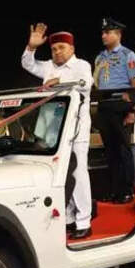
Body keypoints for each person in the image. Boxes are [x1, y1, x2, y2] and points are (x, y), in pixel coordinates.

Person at [21, 23, 94, 239]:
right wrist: (32, 47)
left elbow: (86, 84)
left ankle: (84, 221)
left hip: (76, 129)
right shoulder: (48, 66)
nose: (57, 52)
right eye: (53, 49)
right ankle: (69, 218)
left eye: (61, 48)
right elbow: (27, 64)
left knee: (78, 173)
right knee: (59, 173)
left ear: (71, 49)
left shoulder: (81, 65)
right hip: (52, 130)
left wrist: (58, 81)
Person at [93, 17, 135, 203]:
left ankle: (127, 190)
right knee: (110, 151)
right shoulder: (99, 57)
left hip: (121, 104)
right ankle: (114, 189)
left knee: (123, 149)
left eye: (108, 32)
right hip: (104, 105)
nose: (103, 35)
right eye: (103, 32)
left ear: (118, 34)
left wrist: (132, 111)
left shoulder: (128, 55)